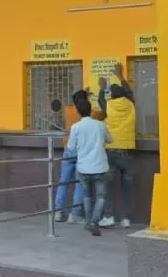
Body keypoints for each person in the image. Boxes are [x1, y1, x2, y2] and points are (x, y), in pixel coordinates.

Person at [54, 89, 105, 224]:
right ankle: (75, 214)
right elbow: (103, 114)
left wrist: (83, 93)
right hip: (82, 152)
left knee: (63, 181)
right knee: (79, 184)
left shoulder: (69, 110)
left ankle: (58, 212)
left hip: (68, 149)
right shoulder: (91, 114)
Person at [97, 63, 136, 229]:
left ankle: (108, 216)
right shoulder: (131, 104)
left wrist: (102, 87)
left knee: (105, 184)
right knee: (127, 186)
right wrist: (120, 76)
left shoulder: (109, 106)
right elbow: (130, 92)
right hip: (127, 152)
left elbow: (100, 100)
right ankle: (126, 219)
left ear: (111, 96)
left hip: (111, 152)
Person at [67, 99, 113, 236]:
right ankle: (94, 221)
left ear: (78, 112)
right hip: (100, 166)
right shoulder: (100, 125)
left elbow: (71, 147)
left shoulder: (75, 127)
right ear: (91, 110)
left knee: (87, 195)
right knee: (101, 196)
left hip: (83, 167)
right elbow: (110, 139)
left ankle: (88, 222)